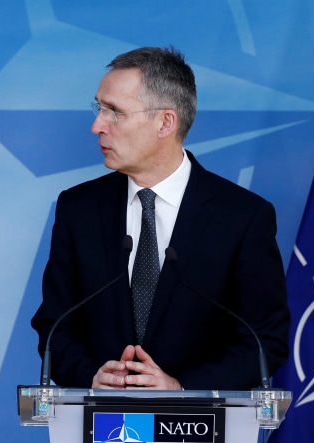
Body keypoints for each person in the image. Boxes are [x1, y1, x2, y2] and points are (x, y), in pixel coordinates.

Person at [31, 46, 290, 390]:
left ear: (165, 122)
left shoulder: (242, 217)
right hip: (102, 428)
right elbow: (54, 326)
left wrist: (181, 389)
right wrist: (91, 377)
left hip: (197, 434)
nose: (97, 126)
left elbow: (265, 342)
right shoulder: (78, 208)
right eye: (99, 108)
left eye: (114, 112)